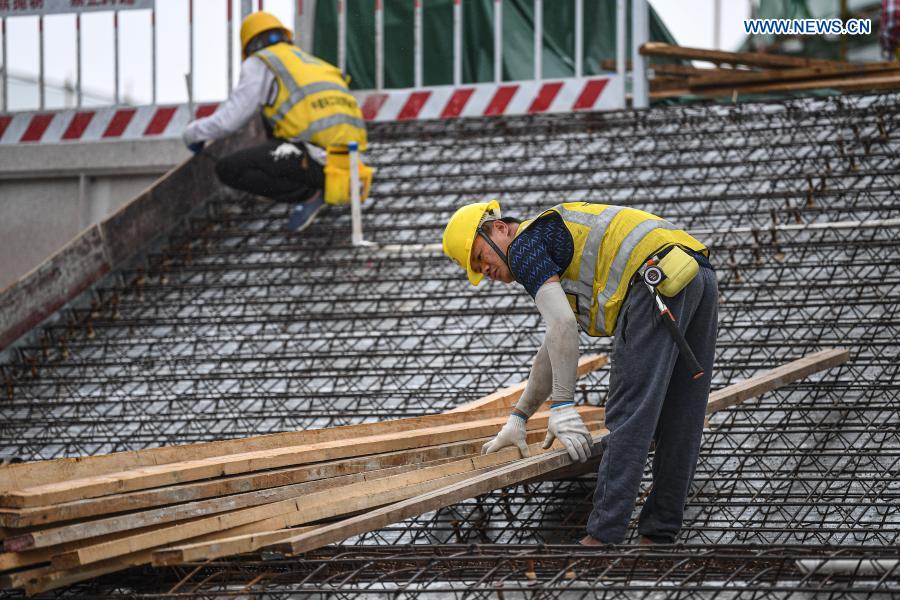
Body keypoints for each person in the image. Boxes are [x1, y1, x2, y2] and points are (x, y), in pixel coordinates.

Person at [442, 201, 718, 545]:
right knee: (682, 414)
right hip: (695, 274)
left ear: (499, 228)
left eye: (481, 256)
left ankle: (603, 536)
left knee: (629, 413)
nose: (486, 270)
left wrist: (563, 405)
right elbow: (553, 346)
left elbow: (563, 324)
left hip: (654, 284)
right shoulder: (548, 243)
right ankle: (659, 533)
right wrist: (520, 416)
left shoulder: (524, 246)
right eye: (477, 268)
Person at [183, 11, 369, 232]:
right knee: (273, 112)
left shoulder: (261, 62)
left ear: (249, 45)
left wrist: (193, 134)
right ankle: (317, 188)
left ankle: (309, 195)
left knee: (229, 169)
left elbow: (230, 120)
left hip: (315, 163)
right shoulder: (312, 63)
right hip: (354, 166)